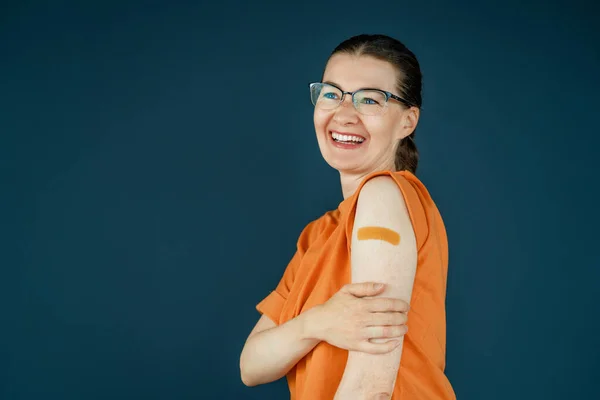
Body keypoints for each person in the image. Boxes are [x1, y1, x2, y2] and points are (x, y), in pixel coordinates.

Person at [239, 33, 456, 400]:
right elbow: (252, 366)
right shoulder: (318, 235)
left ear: (407, 122)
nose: (343, 114)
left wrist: (311, 327)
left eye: (370, 99)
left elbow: (371, 385)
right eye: (331, 94)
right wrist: (317, 322)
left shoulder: (383, 195)